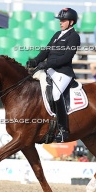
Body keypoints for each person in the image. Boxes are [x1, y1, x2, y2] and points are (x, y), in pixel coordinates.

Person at [26, 8, 80, 142]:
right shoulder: (57, 34)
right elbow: (46, 50)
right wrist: (36, 60)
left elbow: (67, 57)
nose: (60, 22)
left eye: (63, 20)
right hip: (50, 70)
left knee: (56, 94)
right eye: (60, 20)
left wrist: (47, 63)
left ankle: (63, 129)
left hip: (63, 72)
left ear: (71, 22)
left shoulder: (74, 36)